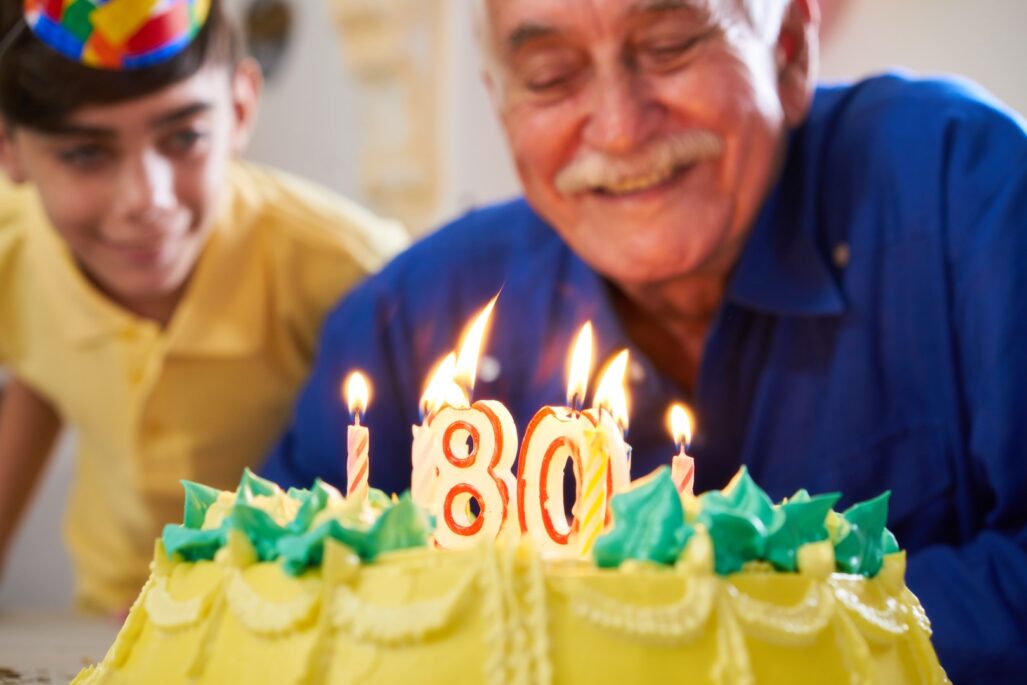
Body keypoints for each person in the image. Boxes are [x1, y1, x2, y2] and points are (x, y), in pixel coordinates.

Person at [261, 0, 1027, 680]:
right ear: (502, 108)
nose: (622, 127)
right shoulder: (414, 320)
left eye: (671, 45)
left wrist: (707, 644)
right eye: (551, 74)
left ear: (789, 48)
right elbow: (270, 601)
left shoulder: (961, 194)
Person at [0, 0, 408, 613]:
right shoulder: (13, 251)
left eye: (185, 136)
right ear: (9, 150)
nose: (148, 199)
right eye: (86, 154)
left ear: (241, 106)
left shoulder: (354, 273)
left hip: (290, 618)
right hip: (102, 615)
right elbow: (41, 369)